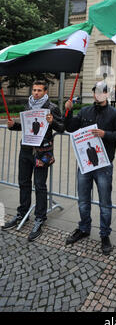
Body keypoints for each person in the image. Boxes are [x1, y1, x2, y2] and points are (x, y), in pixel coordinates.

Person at [64, 81, 116, 254]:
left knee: (105, 203)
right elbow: (69, 128)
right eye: (96, 91)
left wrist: (105, 134)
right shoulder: (85, 111)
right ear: (93, 94)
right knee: (83, 201)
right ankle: (84, 228)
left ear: (107, 94)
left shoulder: (115, 114)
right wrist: (68, 111)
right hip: (85, 164)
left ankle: (105, 234)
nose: (98, 94)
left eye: (102, 92)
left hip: (104, 166)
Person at [1, 80, 64, 241]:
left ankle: (40, 218)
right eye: (34, 90)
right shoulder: (28, 105)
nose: (35, 93)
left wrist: (53, 122)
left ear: (45, 91)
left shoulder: (52, 108)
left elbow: (63, 127)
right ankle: (22, 213)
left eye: (39, 90)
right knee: (23, 182)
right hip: (26, 150)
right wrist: (12, 126)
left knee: (40, 185)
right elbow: (26, 126)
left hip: (42, 152)